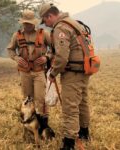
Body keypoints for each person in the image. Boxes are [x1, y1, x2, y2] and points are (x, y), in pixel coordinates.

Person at [39, 4, 90, 150]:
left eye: (45, 21)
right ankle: (85, 133)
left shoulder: (61, 27)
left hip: (72, 73)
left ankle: (69, 143)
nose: (46, 25)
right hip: (84, 70)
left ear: (49, 16)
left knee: (70, 108)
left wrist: (53, 73)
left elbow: (61, 57)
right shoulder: (74, 23)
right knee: (82, 103)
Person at [7, 9, 54, 137]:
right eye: (25, 23)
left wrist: (47, 57)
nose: (27, 25)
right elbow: (10, 50)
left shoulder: (44, 34)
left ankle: (44, 126)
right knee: (27, 99)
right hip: (24, 72)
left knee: (40, 99)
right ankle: (29, 127)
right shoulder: (16, 35)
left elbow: (54, 49)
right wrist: (17, 58)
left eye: (29, 23)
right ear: (22, 23)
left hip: (39, 72)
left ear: (34, 23)